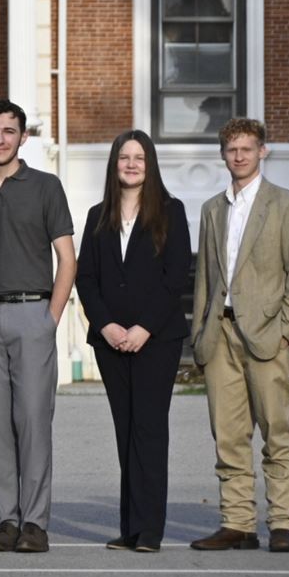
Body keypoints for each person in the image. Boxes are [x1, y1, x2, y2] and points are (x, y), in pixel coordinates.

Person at [0, 99, 76, 554]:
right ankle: (5, 519)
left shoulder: (46, 187)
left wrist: (50, 320)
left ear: (23, 137)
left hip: (33, 314)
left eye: (8, 131)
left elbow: (67, 258)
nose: (0, 139)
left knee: (32, 420)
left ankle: (35, 523)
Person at [190, 118, 289, 554]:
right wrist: (199, 337)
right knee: (228, 433)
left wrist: (286, 334)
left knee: (276, 431)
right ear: (223, 154)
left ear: (263, 151)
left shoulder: (287, 206)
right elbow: (205, 278)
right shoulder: (211, 209)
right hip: (219, 334)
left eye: (247, 149)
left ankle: (283, 523)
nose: (239, 156)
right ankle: (238, 523)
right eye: (231, 150)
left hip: (266, 336)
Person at [76, 130, 191, 553]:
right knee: (125, 430)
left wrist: (144, 327)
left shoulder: (171, 212)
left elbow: (176, 276)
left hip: (155, 340)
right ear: (114, 164)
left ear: (150, 164)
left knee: (149, 429)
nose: (131, 164)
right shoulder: (96, 216)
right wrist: (105, 325)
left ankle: (150, 531)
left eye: (139, 157)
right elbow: (86, 277)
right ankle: (129, 528)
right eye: (124, 157)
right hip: (111, 341)